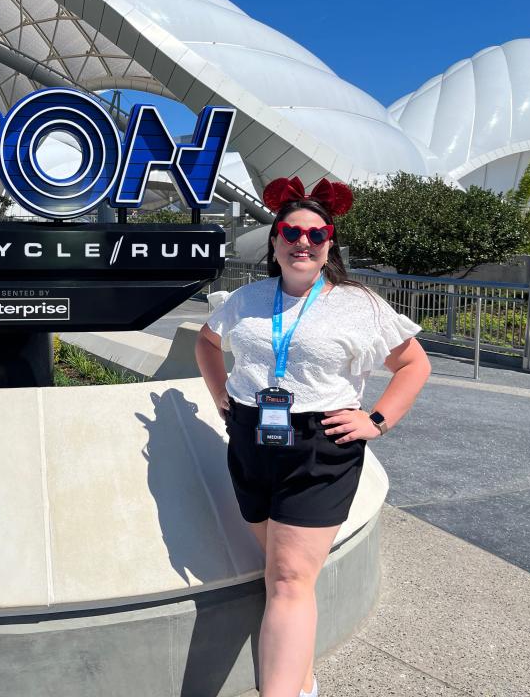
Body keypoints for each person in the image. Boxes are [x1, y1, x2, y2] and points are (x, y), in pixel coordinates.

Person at [194, 176, 432, 697]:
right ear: (275, 239)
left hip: (321, 445)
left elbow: (414, 363)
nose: (303, 241)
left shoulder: (359, 304)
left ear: (329, 245)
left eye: (316, 234)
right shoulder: (245, 299)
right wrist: (220, 398)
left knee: (287, 581)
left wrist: (377, 420)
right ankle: (302, 684)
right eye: (291, 231)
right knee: (282, 576)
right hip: (252, 439)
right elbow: (207, 344)